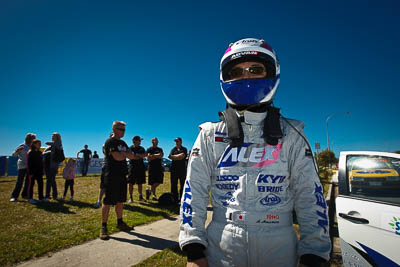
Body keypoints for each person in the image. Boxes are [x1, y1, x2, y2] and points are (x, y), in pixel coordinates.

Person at [179, 38, 331, 267]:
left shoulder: (292, 133)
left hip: (279, 244)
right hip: (222, 243)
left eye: (255, 70)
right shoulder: (210, 134)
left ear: (271, 73)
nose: (246, 76)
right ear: (225, 77)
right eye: (237, 71)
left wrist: (314, 254)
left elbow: (309, 195)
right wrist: (193, 251)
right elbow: (194, 191)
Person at [100, 121, 135, 240]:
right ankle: (103, 227)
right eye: (121, 129)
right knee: (108, 201)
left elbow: (132, 155)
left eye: (125, 130)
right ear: (114, 129)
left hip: (122, 175)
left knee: (120, 200)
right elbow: (118, 157)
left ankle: (120, 222)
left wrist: (124, 153)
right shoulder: (110, 142)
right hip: (111, 175)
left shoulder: (123, 143)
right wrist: (125, 153)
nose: (124, 132)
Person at [10, 133, 36, 202]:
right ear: (28, 139)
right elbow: (14, 155)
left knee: (28, 182)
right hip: (22, 166)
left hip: (29, 166)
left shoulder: (33, 147)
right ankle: (14, 196)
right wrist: (17, 150)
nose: (33, 140)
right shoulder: (22, 146)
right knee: (19, 182)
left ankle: (24, 195)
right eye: (33, 139)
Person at [43, 132, 64, 200]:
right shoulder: (50, 147)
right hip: (48, 164)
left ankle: (55, 195)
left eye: (53, 136)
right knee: (48, 180)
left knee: (52, 180)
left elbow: (47, 142)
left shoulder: (58, 143)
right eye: (52, 136)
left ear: (57, 137)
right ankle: (47, 195)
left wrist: (48, 151)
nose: (52, 137)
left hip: (54, 165)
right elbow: (43, 153)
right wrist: (48, 152)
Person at [127, 136, 148, 203]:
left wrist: (138, 155)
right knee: (130, 182)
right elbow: (130, 156)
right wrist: (138, 156)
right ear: (134, 141)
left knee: (140, 183)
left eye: (139, 140)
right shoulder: (130, 148)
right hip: (132, 167)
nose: (139, 142)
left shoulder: (142, 148)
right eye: (138, 140)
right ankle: (130, 197)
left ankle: (140, 196)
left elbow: (145, 155)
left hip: (140, 167)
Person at [168, 137, 188, 203]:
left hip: (182, 169)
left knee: (182, 184)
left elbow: (182, 156)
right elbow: (170, 156)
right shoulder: (173, 149)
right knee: (173, 184)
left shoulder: (184, 149)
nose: (176, 142)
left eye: (178, 141)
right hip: (174, 169)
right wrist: (177, 157)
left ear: (181, 142)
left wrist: (174, 157)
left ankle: (182, 199)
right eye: (176, 141)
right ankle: (174, 199)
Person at [27, 139, 47, 204]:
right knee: (31, 185)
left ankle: (41, 198)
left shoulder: (40, 153)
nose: (40, 145)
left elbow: (41, 162)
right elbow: (29, 163)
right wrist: (30, 172)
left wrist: (42, 170)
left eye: (40, 144)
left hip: (39, 172)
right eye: (38, 144)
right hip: (32, 172)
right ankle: (30, 198)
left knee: (41, 184)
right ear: (34, 144)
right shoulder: (30, 153)